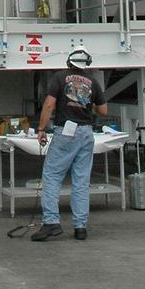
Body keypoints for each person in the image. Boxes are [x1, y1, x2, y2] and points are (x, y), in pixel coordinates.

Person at [31, 49, 108, 242]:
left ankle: (51, 222)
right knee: (81, 181)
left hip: (66, 131)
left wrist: (41, 129)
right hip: (86, 132)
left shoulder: (59, 78)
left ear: (69, 62)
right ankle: (80, 227)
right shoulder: (93, 82)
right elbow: (103, 110)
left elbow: (49, 105)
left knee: (52, 175)